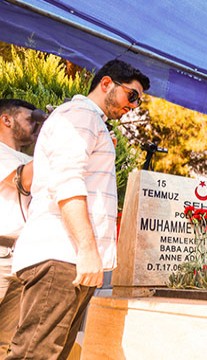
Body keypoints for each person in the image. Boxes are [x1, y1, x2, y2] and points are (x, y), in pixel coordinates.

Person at [8, 59, 150, 360]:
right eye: (132, 95)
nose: (134, 106)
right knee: (35, 354)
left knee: (51, 354)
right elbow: (67, 180)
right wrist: (87, 249)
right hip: (62, 254)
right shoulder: (80, 115)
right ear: (107, 84)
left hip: (70, 259)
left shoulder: (92, 122)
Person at [0, 99, 44, 358]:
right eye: (32, 119)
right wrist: (59, 135)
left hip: (21, 260)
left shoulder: (30, 159)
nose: (37, 127)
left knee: (7, 342)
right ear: (6, 120)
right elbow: (23, 181)